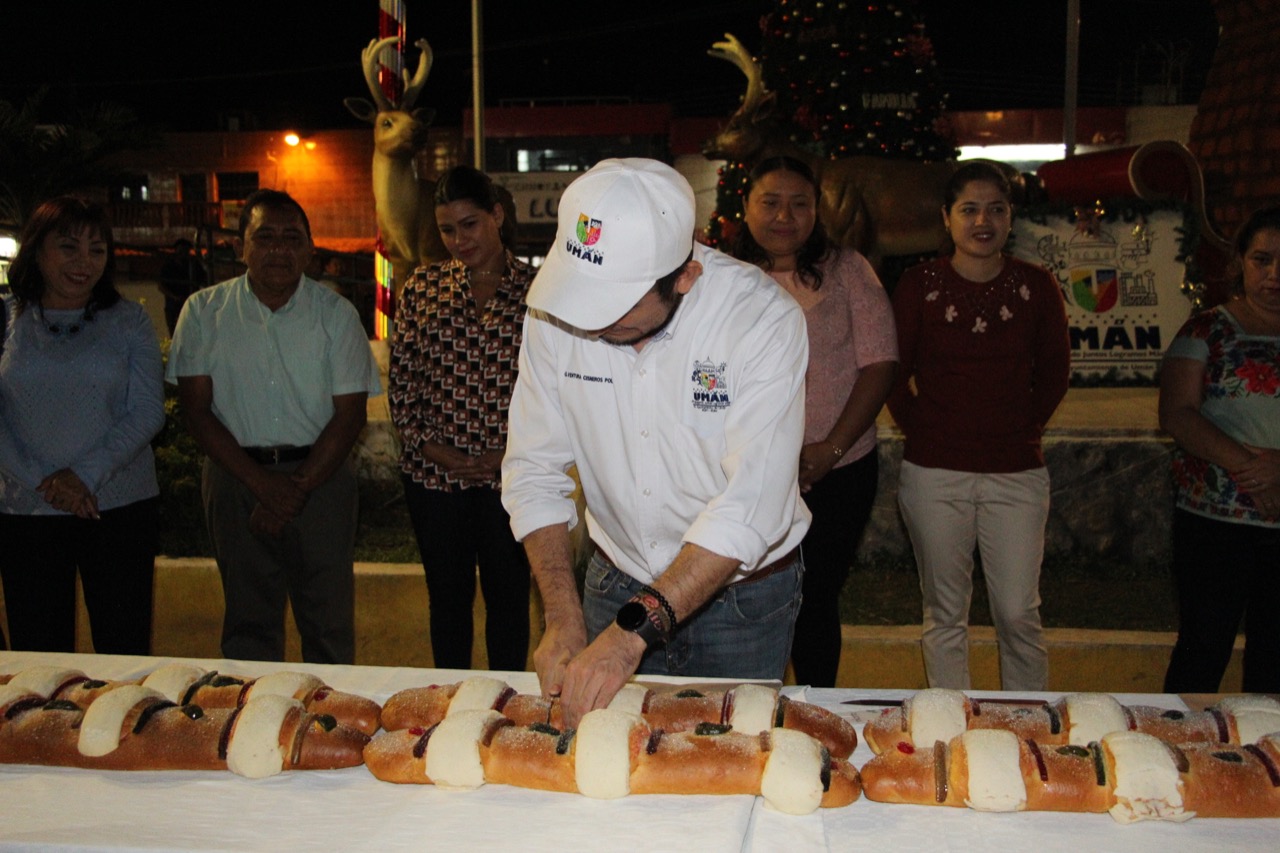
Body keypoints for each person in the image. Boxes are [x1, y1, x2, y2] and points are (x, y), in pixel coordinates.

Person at [501, 158, 811, 727]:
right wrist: (562, 615)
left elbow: (750, 507)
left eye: (614, 304)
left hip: (740, 602)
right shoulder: (552, 315)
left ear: (685, 276)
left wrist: (628, 637)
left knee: (730, 758)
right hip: (613, 578)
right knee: (599, 755)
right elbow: (533, 472)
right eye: (582, 295)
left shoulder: (762, 320)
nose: (589, 322)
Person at [167, 189, 381, 664]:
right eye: (265, 237)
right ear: (240, 246)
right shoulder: (203, 312)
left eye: (292, 238)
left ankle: (332, 710)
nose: (279, 250)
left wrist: (294, 489)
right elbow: (196, 412)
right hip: (234, 480)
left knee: (328, 625)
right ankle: (252, 711)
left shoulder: (336, 315)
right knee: (248, 625)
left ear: (310, 250)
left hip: (321, 481)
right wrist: (262, 484)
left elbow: (350, 415)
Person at [887, 161, 1070, 691]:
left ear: (1011, 217)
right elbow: (894, 374)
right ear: (947, 218)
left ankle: (1029, 722)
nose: (982, 221)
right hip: (934, 474)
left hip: (1016, 472)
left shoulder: (1037, 285)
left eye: (996, 209)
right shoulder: (918, 285)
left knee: (1017, 612)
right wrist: (929, 431)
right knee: (944, 614)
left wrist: (1018, 428)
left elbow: (1054, 373)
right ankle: (951, 722)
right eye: (969, 209)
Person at [731, 156, 898, 687]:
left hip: (838, 469)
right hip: (744, 472)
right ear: (745, 206)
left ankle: (815, 708)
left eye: (799, 203)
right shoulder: (721, 276)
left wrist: (831, 448)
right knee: (745, 596)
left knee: (815, 596)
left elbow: (880, 363)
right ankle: (750, 707)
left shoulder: (849, 270)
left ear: (816, 211)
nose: (785, 216)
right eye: (770, 202)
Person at [0, 196, 165, 654]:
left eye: (97, 250)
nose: (84, 262)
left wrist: (83, 477)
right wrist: (49, 484)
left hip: (118, 508)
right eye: (69, 247)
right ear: (37, 250)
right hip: (27, 511)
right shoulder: (5, 318)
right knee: (39, 657)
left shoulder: (130, 320)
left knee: (125, 651)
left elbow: (147, 411)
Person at [389, 166, 532, 671]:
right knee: (447, 601)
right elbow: (402, 385)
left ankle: (508, 702)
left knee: (509, 600)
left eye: (469, 224)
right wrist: (436, 450)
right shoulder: (422, 287)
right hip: (434, 479)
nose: (458, 240)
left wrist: (506, 454)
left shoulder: (538, 293)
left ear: (497, 216)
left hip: (512, 478)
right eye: (447, 230)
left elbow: (557, 391)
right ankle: (451, 703)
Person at [1159, 205, 1280, 694]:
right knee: (1202, 651)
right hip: (1214, 526)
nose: (1274, 274)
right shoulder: (1204, 331)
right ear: (1240, 263)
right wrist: (1254, 469)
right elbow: (1178, 414)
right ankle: (1176, 739)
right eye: (1262, 260)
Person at [158, 238, 207, 337]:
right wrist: (174, 297)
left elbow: (204, 281)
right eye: (180, 250)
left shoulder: (194, 264)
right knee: (174, 332)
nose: (182, 254)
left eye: (185, 250)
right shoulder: (169, 266)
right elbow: (161, 285)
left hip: (191, 304)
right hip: (173, 304)